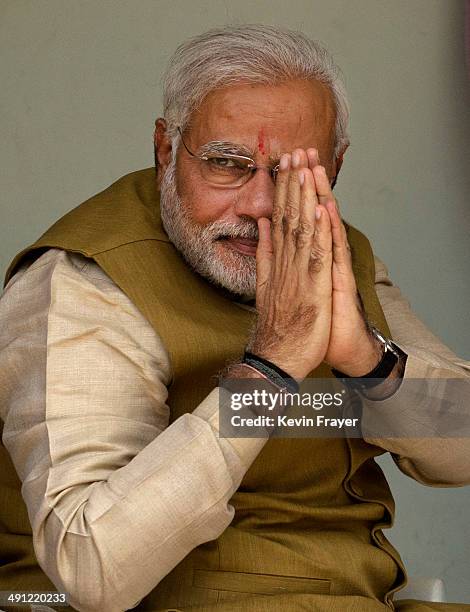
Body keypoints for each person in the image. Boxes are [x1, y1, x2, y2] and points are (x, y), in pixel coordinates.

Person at [0, 24, 469, 612]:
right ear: (166, 150)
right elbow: (93, 569)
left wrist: (369, 361)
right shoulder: (86, 280)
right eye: (227, 164)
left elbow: (462, 445)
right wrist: (268, 373)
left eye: (294, 174)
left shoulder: (329, 253)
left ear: (336, 166)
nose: (260, 207)